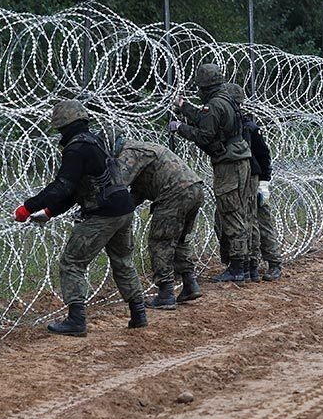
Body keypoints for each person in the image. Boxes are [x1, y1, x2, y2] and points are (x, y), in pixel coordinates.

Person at [15, 100, 147, 336]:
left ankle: (76, 320)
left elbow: (63, 186)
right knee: (123, 261)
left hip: (103, 213)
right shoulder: (95, 142)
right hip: (123, 208)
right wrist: (50, 212)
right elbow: (80, 188)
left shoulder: (76, 148)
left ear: (63, 125)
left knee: (72, 262)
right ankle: (139, 313)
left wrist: (28, 206)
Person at [171, 64, 255, 283]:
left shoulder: (215, 104)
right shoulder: (225, 100)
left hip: (229, 164)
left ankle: (237, 267)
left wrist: (179, 128)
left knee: (230, 211)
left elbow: (204, 135)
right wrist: (184, 106)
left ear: (205, 86)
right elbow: (203, 117)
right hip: (240, 160)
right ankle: (244, 265)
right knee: (241, 211)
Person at [118, 139, 205, 307]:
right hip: (194, 189)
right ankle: (190, 283)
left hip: (174, 193)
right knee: (180, 240)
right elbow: (138, 192)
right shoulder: (143, 148)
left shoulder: (129, 152)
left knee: (161, 242)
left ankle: (166, 293)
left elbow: (119, 183)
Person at [239, 101, 283, 282]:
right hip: (243, 181)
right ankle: (253, 265)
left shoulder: (250, 128)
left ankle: (274, 264)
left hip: (257, 181)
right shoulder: (233, 127)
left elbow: (264, 155)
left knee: (263, 221)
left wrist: (264, 183)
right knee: (248, 224)